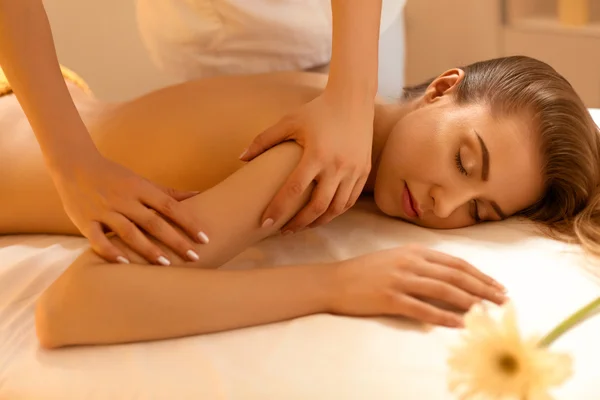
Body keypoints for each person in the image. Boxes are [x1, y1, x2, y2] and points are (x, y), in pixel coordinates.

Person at [0, 56, 594, 348]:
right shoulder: (314, 153)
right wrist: (336, 284)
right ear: (442, 89)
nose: (446, 204)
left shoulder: (345, 116)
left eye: (480, 212)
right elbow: (74, 308)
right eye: (466, 161)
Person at [0, 0, 384, 266]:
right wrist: (71, 162)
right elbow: (80, 301)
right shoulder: (296, 151)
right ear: (440, 88)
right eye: (450, 160)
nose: (443, 203)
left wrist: (352, 96)